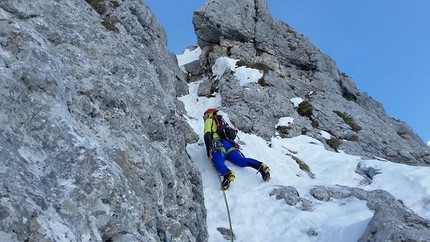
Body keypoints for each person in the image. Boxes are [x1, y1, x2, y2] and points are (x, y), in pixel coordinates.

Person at [203, 108, 271, 190]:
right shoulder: (223, 121)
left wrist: (208, 150)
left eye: (204, 115)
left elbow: (207, 135)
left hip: (218, 144)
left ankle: (227, 174)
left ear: (209, 113)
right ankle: (260, 166)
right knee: (240, 160)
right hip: (230, 144)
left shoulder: (209, 120)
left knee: (218, 162)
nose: (203, 117)